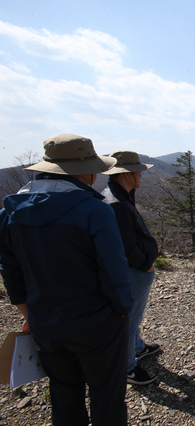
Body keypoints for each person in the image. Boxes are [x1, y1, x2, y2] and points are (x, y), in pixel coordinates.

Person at [0, 134, 132, 426]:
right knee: (106, 396)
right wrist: (122, 310)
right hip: (96, 321)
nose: (96, 174)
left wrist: (28, 313)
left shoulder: (10, 213)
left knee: (63, 393)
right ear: (80, 170)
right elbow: (114, 270)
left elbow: (10, 270)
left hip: (44, 323)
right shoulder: (94, 210)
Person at [101, 151, 160, 385]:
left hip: (136, 269)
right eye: (138, 172)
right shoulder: (116, 204)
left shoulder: (121, 196)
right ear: (126, 174)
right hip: (134, 271)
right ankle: (127, 367)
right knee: (130, 319)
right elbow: (126, 246)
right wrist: (145, 264)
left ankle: (137, 347)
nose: (141, 176)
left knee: (134, 316)